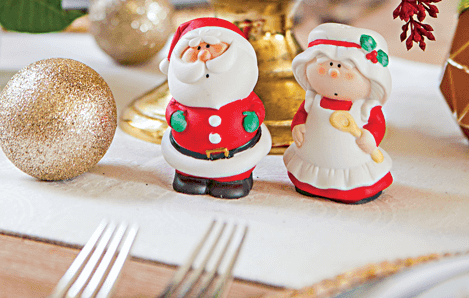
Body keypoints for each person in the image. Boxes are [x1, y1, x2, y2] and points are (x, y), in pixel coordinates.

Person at [160, 16, 272, 198]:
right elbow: (172, 109)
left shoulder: (244, 95)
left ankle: (233, 180)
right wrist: (175, 118)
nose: (204, 54)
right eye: (196, 48)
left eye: (209, 46)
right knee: (189, 176)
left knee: (233, 176)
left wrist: (254, 117)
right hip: (188, 155)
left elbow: (256, 106)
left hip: (236, 154)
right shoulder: (180, 99)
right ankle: (189, 179)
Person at [283, 22, 393, 204]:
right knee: (309, 173)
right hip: (313, 155)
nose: (333, 72)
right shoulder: (313, 100)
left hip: (350, 161)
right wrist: (298, 126)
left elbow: (377, 124)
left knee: (353, 178)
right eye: (326, 66)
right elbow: (302, 115)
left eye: (343, 69)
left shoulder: (364, 108)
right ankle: (309, 185)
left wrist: (371, 137)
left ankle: (351, 190)